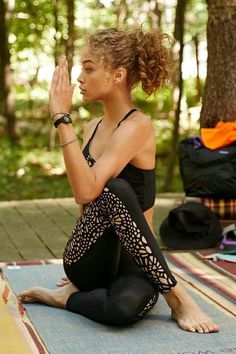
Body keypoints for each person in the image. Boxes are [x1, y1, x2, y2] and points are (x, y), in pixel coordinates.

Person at [18, 28, 219, 333]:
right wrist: (62, 120)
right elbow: (84, 197)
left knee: (122, 310)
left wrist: (62, 118)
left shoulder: (138, 126)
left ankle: (63, 300)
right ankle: (177, 298)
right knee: (110, 188)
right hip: (89, 257)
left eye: (88, 68)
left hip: (137, 260)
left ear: (117, 75)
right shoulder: (90, 128)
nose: (80, 78)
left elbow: (93, 189)